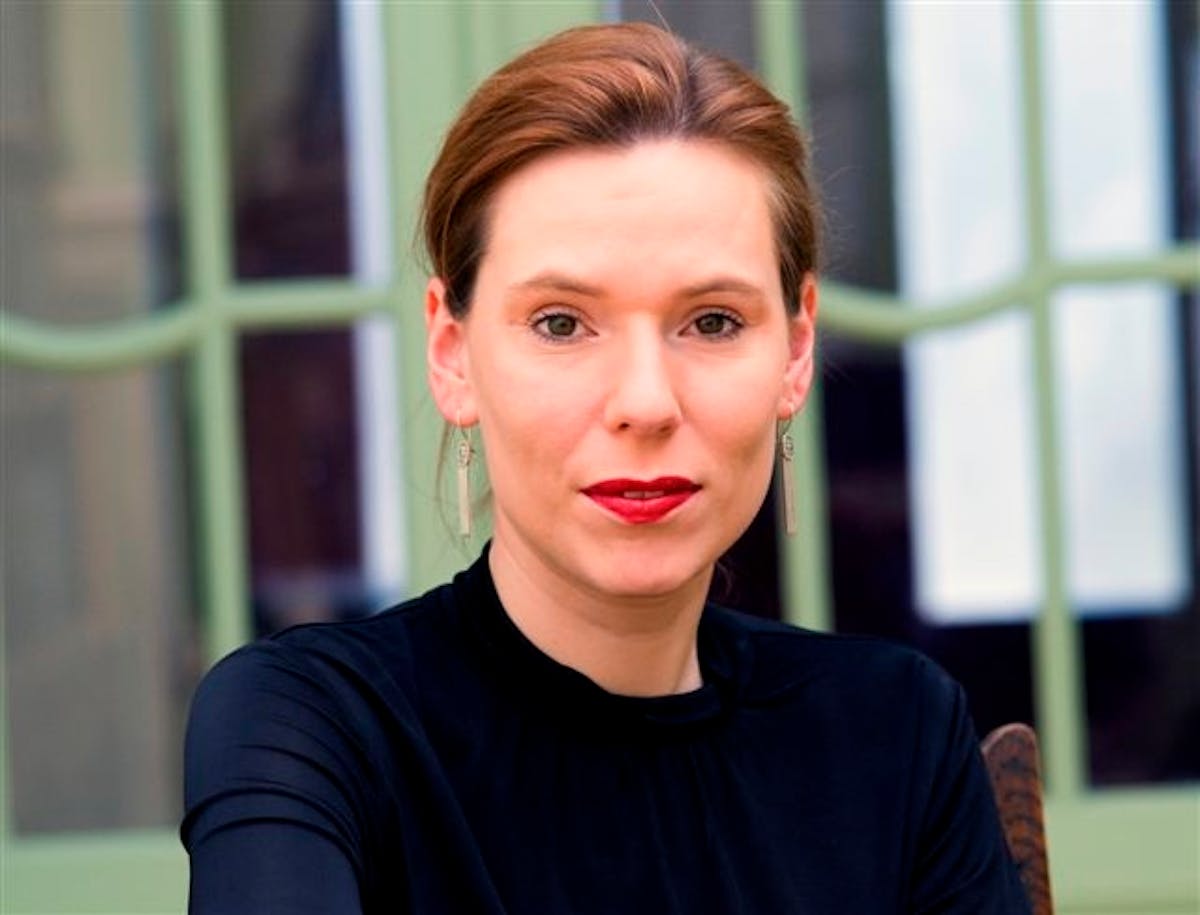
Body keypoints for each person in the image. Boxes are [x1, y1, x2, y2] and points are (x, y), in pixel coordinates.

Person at [182, 22, 1030, 914]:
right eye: (561, 323)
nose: (645, 401)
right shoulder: (310, 726)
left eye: (712, 321)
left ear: (796, 347)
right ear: (452, 352)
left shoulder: (897, 731)